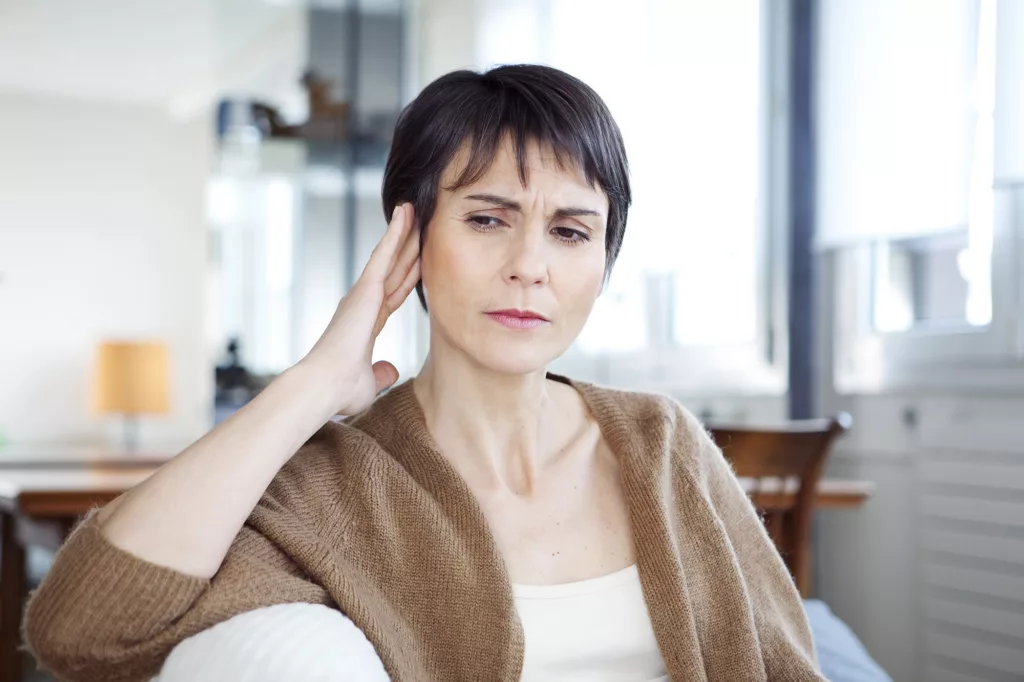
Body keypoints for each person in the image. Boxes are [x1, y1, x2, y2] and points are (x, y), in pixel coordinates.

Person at [24, 65, 825, 682]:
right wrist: (313, 384)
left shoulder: (663, 442)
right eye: (487, 219)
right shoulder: (332, 485)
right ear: (409, 239)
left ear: (604, 260)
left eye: (571, 232)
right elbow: (82, 632)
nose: (529, 267)